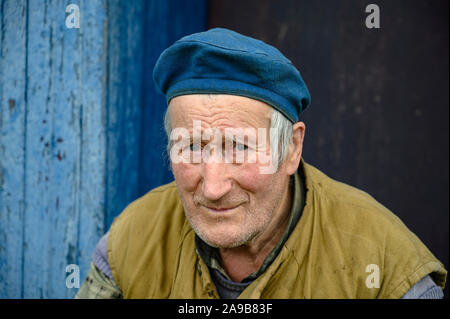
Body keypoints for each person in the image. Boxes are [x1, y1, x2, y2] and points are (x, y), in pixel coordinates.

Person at [75, 28, 446, 299]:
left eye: (238, 147)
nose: (213, 186)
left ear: (291, 148)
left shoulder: (382, 262)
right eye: (190, 146)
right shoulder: (131, 243)